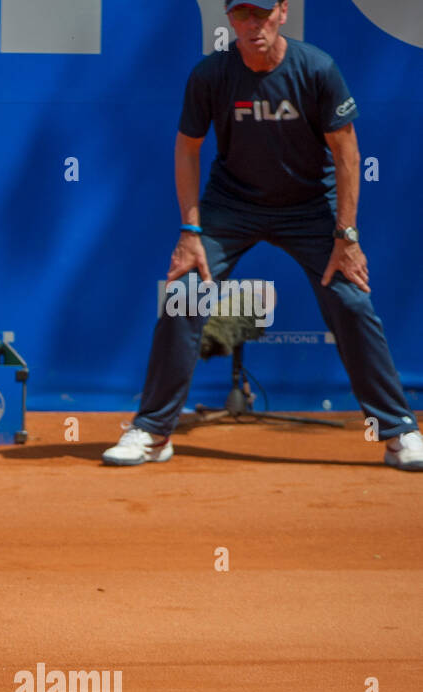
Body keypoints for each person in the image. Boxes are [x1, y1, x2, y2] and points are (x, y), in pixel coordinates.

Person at [103, 0, 421, 470]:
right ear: (230, 20)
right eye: (242, 15)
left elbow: (347, 153)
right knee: (184, 295)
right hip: (232, 206)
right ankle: (152, 430)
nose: (254, 25)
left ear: (283, 12)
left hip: (310, 207)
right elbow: (187, 150)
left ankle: (399, 432)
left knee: (352, 301)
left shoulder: (316, 69)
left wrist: (346, 235)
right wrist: (191, 230)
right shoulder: (211, 74)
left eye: (262, 13)